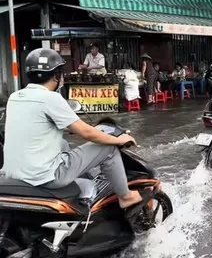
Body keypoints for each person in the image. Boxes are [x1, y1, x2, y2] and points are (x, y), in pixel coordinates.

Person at [3, 48, 153, 217]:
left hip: (13, 173)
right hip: (47, 177)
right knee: (108, 149)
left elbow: (42, 124)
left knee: (64, 144)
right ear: (56, 76)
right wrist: (118, 140)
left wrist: (88, 130)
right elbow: (86, 132)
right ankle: (125, 196)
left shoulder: (15, 97)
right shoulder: (51, 98)